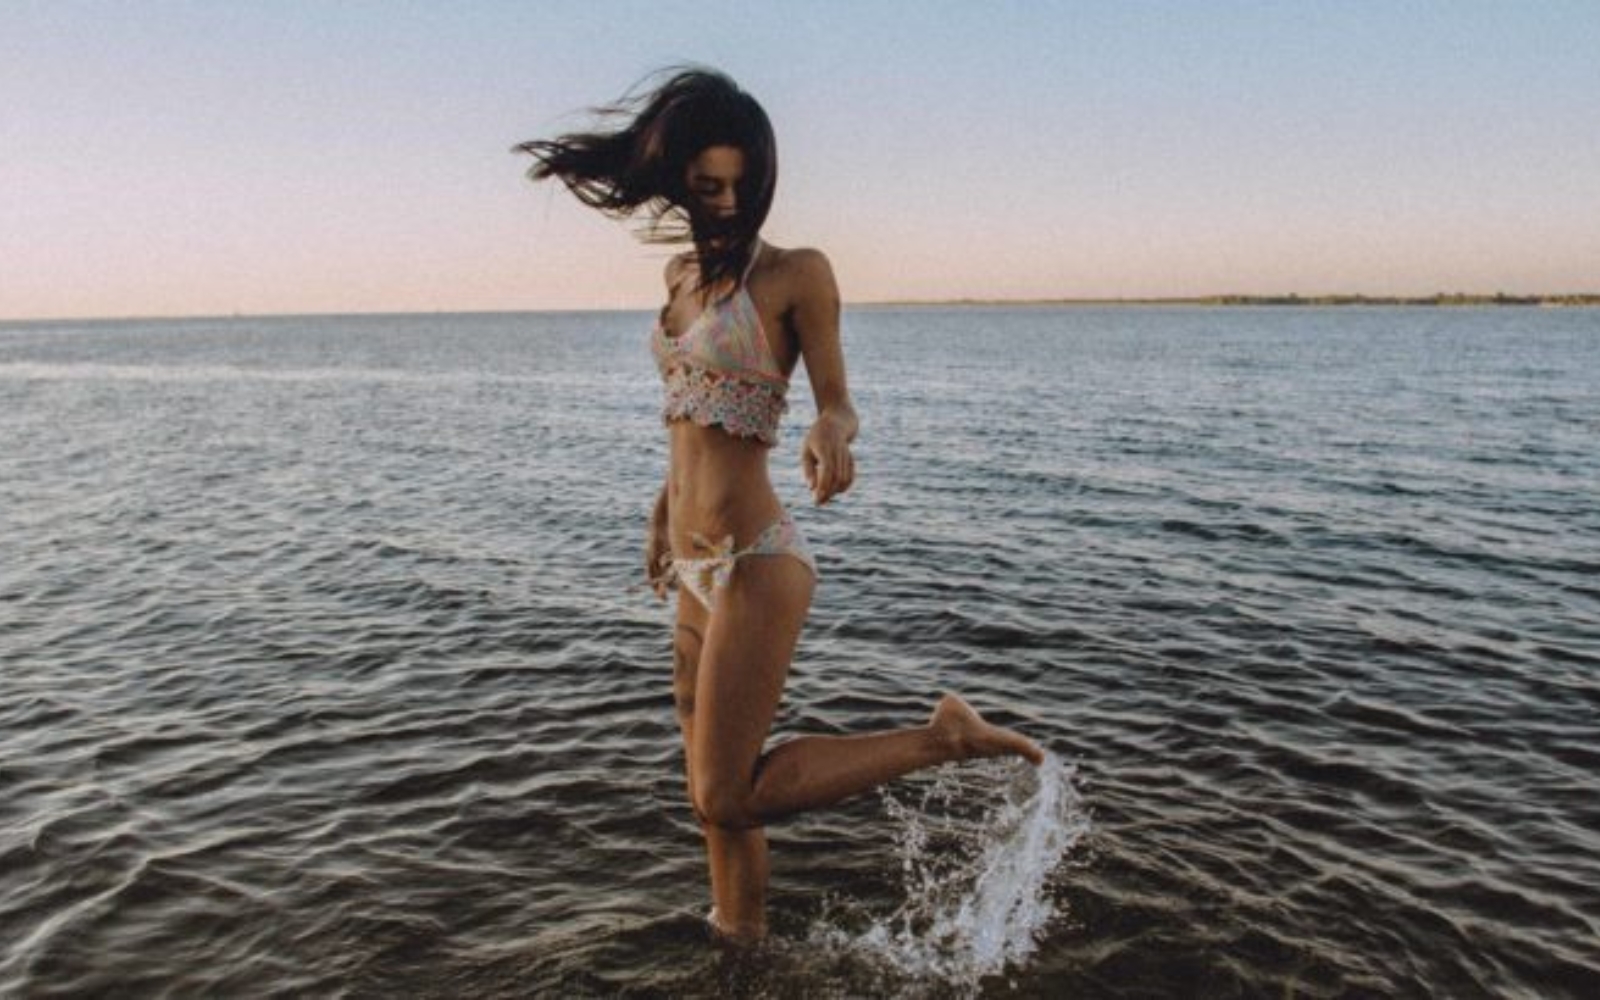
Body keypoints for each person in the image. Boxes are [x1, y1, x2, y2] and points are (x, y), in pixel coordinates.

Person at [517, 67, 1043, 942]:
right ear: (679, 178)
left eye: (741, 186)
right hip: (692, 563)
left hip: (757, 555)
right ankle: (740, 944)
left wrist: (832, 432)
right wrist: (661, 513)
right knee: (714, 805)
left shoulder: (797, 273)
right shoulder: (681, 278)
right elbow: (690, 418)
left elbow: (836, 397)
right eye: (707, 185)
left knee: (727, 786)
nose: (725, 203)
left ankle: (943, 738)